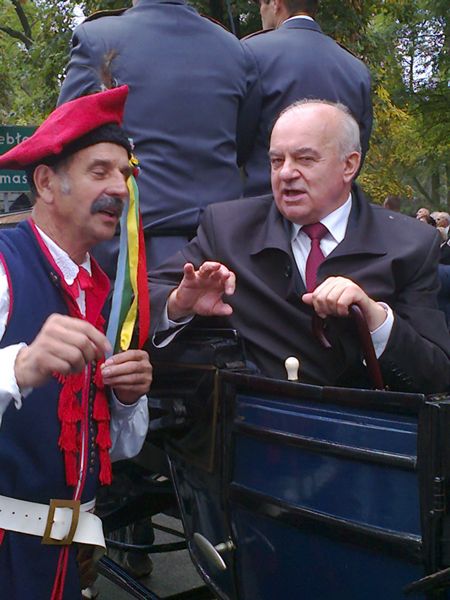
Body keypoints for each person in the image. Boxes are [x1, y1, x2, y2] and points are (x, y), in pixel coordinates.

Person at [149, 100, 450, 393]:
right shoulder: (228, 228)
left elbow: (436, 375)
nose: (286, 173)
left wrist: (375, 319)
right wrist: (179, 303)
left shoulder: (410, 244)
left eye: (305, 159)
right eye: (276, 161)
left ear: (349, 165)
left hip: (357, 422)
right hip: (253, 418)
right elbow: (141, 299)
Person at [0, 86, 152, 599]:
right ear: (46, 182)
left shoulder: (104, 291)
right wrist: (19, 368)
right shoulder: (4, 264)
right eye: (99, 171)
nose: (119, 189)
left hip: (69, 560)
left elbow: (119, 448)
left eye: (124, 174)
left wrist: (126, 399)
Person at [58, 0, 256, 272]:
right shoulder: (235, 49)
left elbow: (65, 136)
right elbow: (243, 146)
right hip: (224, 249)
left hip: (133, 250)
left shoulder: (98, 38)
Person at [237, 0, 373, 196]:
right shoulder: (355, 69)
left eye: (261, 4)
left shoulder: (249, 53)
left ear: (275, 3)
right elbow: (358, 146)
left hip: (267, 201)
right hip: (331, 203)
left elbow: (237, 141)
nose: (261, 12)